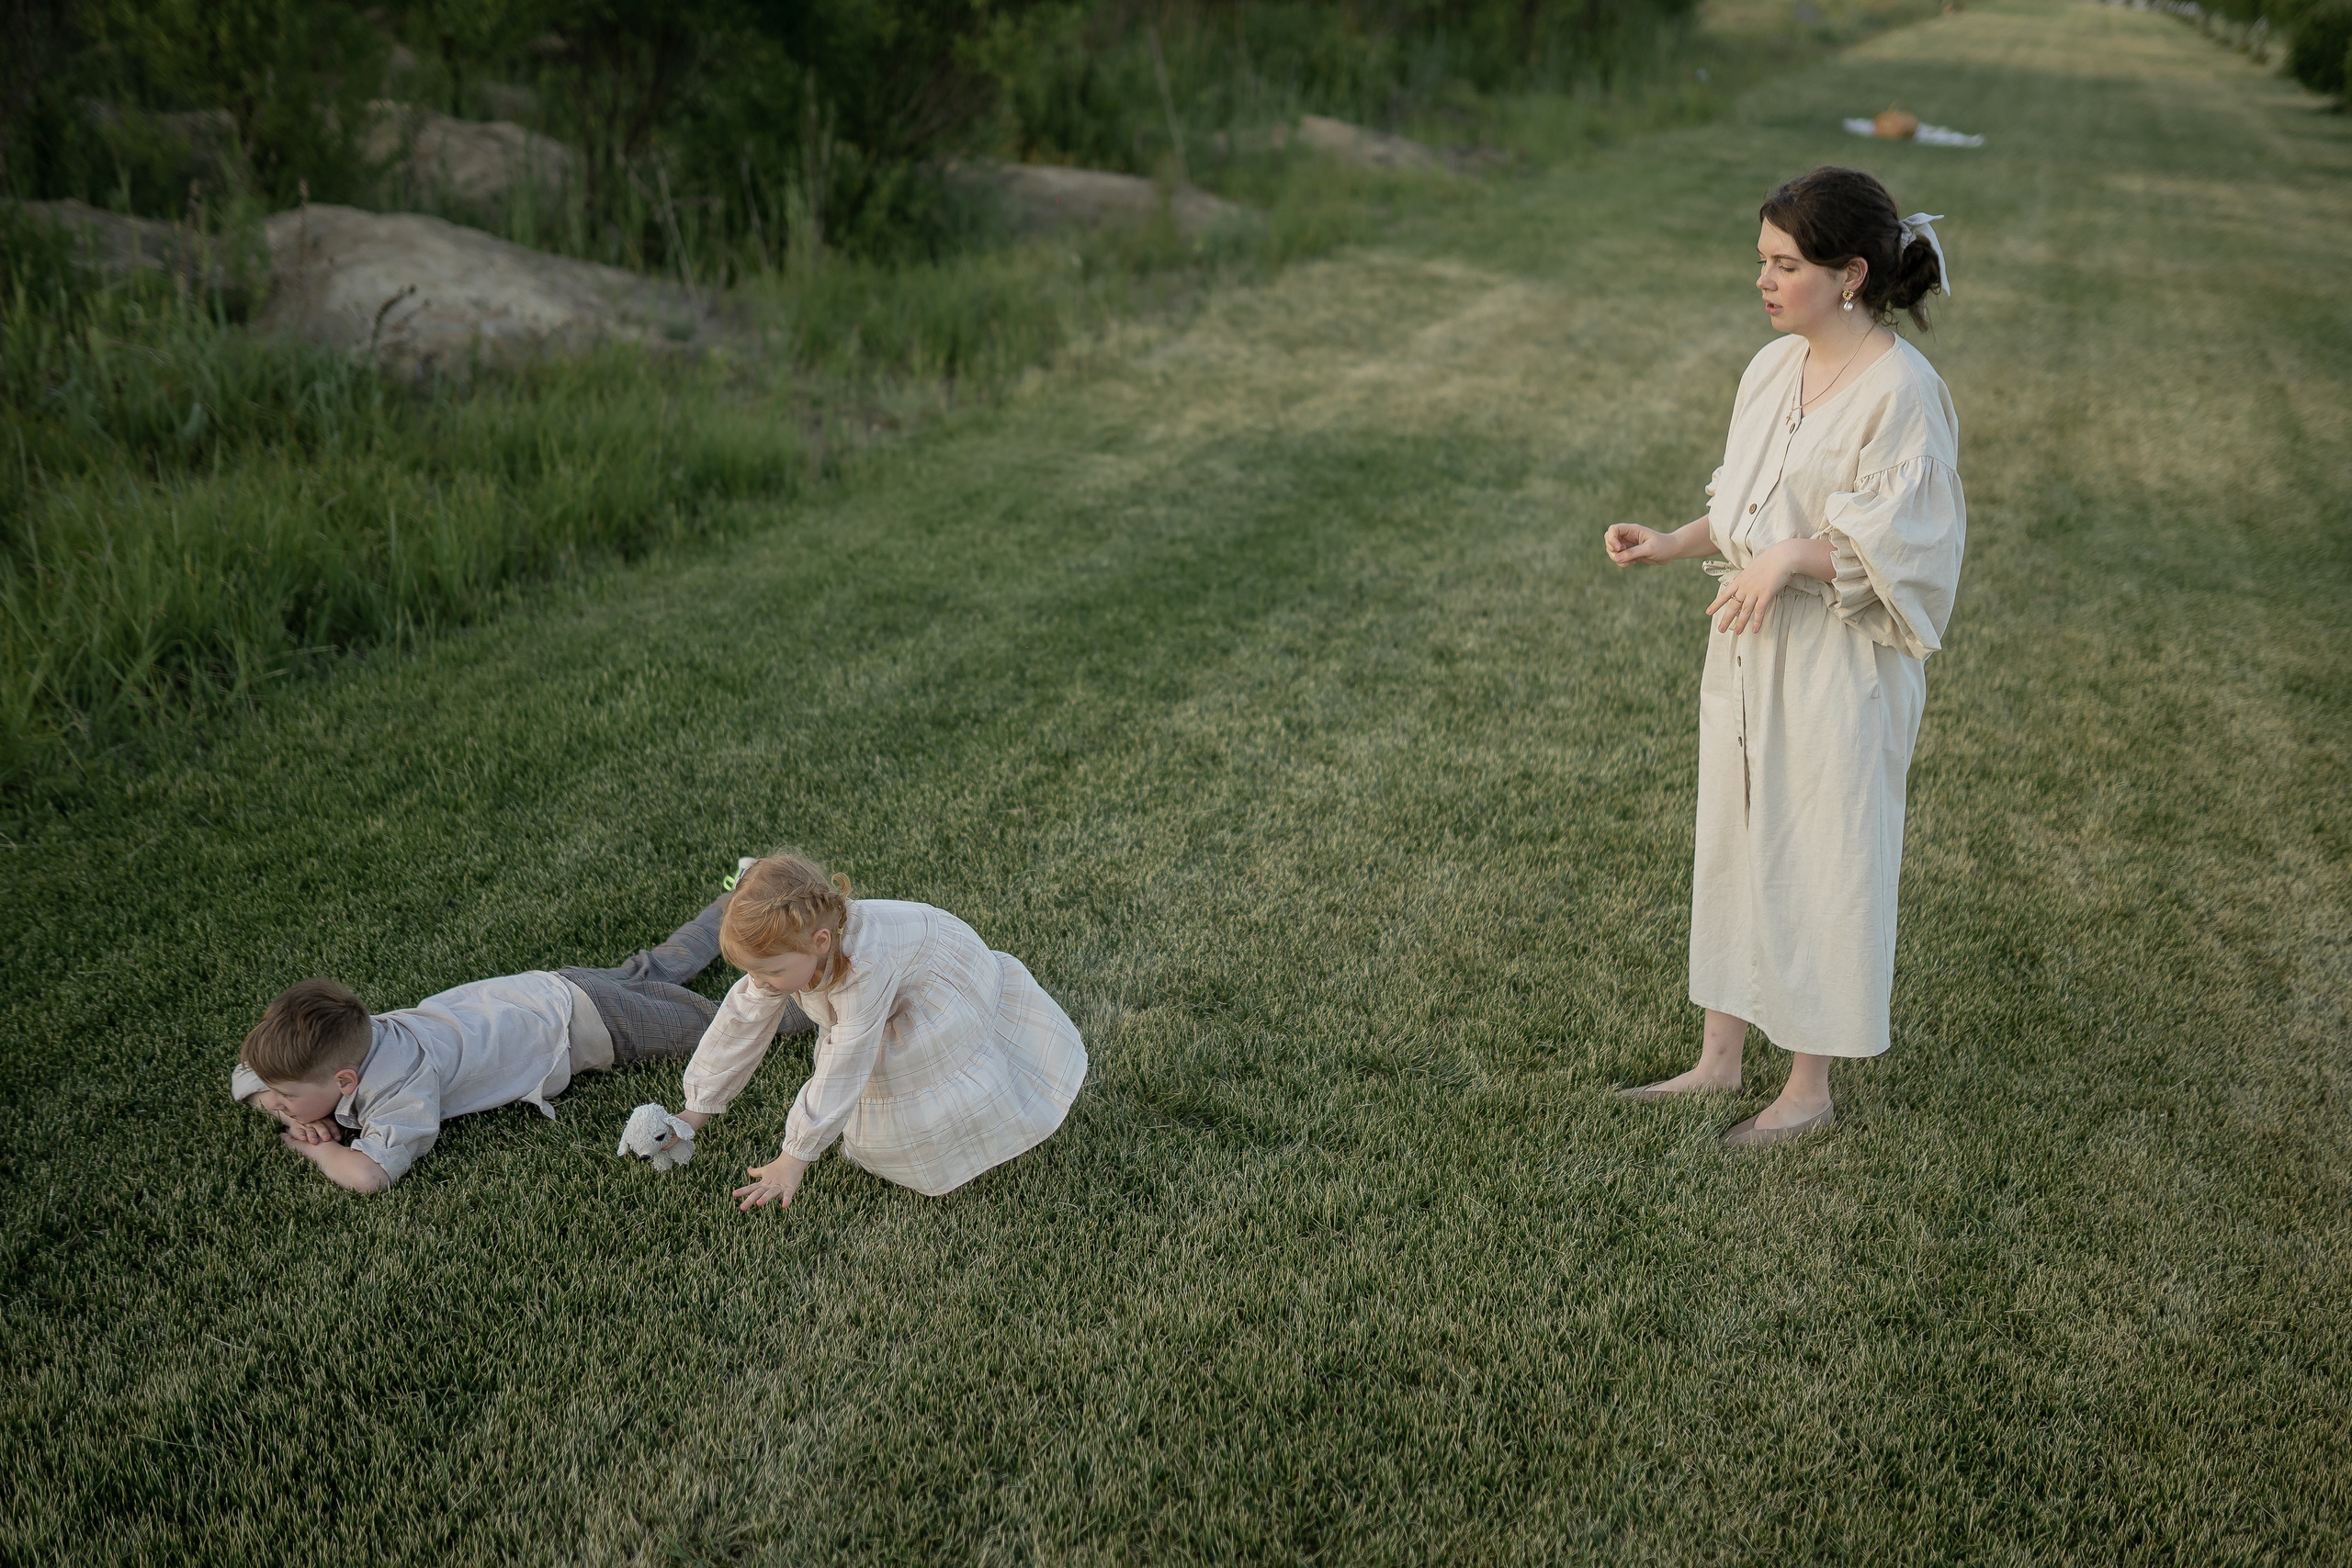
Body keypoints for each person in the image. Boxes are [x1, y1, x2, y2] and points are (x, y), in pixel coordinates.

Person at [1602, 166, 1966, 1145]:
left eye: (1784, 265)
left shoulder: (1902, 394)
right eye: (1759, 262)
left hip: (1839, 667)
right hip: (1750, 652)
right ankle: (1719, 1060)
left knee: (1821, 853)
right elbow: (1748, 506)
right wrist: (1677, 541)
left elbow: (1910, 546)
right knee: (1735, 836)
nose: (1762, 282)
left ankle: (1806, 1089)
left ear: (1849, 274)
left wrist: (1796, 561)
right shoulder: (1771, 369)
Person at [232, 865, 805, 1190]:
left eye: (284, 1095)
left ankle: (822, 1002)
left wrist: (308, 1146)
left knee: (726, 1024)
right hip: (550, 988)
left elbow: (370, 1174)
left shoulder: (401, 1086)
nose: (277, 1102)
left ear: (347, 1080)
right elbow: (245, 1076)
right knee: (655, 966)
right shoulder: (360, 1034)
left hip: (591, 1028)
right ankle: (742, 892)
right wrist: (277, 1102)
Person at [666, 852, 1088, 1211]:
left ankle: (990, 1121)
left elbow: (846, 1059)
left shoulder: (865, 965)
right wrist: (696, 1108)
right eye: (752, 971)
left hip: (937, 982)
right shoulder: (784, 958)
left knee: (919, 1069)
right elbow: (741, 1021)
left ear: (821, 941)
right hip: (891, 977)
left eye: (771, 971)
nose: (759, 981)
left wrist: (792, 1157)